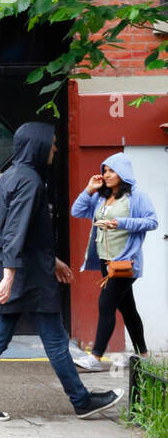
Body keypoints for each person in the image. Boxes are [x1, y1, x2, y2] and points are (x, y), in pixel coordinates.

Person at [0, 121, 123, 421]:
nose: (55, 148)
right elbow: (15, 231)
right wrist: (11, 275)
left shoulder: (11, 176)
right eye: (51, 143)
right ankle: (81, 400)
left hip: (24, 266)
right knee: (54, 338)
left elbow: (21, 233)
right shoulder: (30, 181)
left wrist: (53, 261)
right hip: (27, 275)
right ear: (37, 145)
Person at [69, 152, 157, 371]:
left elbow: (152, 221)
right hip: (105, 262)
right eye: (104, 170)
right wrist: (89, 189)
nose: (106, 175)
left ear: (123, 172)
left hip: (126, 263)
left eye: (111, 170)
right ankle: (143, 355)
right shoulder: (101, 196)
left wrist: (121, 223)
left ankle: (96, 357)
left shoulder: (136, 196)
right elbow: (77, 210)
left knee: (105, 303)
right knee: (128, 308)